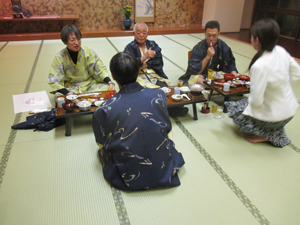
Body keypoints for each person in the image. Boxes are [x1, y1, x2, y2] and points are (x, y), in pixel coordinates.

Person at [92, 52, 185, 190]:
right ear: (137, 72)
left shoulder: (105, 109)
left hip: (127, 175)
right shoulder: (158, 95)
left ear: (113, 76)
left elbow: (101, 143)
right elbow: (167, 127)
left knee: (102, 151)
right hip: (164, 169)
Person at [224, 18, 300, 147]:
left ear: (257, 40)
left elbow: (256, 101)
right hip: (290, 111)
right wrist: (281, 87)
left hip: (275, 116)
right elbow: (297, 72)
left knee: (235, 110)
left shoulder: (259, 65)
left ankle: (266, 134)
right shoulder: (280, 50)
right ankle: (274, 130)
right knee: (242, 103)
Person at [124, 22, 188, 116]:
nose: (141, 35)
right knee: (150, 94)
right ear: (134, 34)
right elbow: (128, 68)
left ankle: (171, 108)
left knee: (166, 90)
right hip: (138, 77)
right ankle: (167, 111)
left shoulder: (153, 45)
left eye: (144, 32)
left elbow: (158, 61)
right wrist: (143, 59)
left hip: (154, 75)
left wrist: (142, 64)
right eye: (138, 32)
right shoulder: (129, 48)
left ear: (147, 34)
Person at [48, 24, 115, 96]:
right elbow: (54, 80)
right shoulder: (60, 57)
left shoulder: (88, 51)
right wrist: (67, 93)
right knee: (59, 96)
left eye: (78, 39)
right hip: (71, 87)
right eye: (72, 40)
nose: (76, 43)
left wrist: (109, 82)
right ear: (65, 41)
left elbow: (99, 68)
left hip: (89, 85)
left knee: (107, 88)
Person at [179, 20, 238, 85]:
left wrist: (233, 72)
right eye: (208, 35)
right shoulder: (198, 47)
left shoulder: (223, 46)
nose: (211, 38)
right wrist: (208, 57)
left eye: (214, 36)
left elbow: (230, 63)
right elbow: (196, 72)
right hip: (202, 75)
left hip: (215, 75)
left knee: (231, 79)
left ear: (219, 34)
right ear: (205, 33)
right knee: (199, 80)